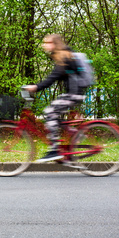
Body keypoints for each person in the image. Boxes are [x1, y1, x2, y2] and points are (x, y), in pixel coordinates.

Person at [25, 34, 86, 163]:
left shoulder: (63, 56)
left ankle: (54, 150)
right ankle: (74, 134)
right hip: (73, 92)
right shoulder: (63, 55)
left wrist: (36, 87)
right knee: (54, 114)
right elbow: (55, 77)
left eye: (47, 42)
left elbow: (52, 78)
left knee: (49, 112)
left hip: (74, 94)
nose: (44, 45)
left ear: (54, 44)